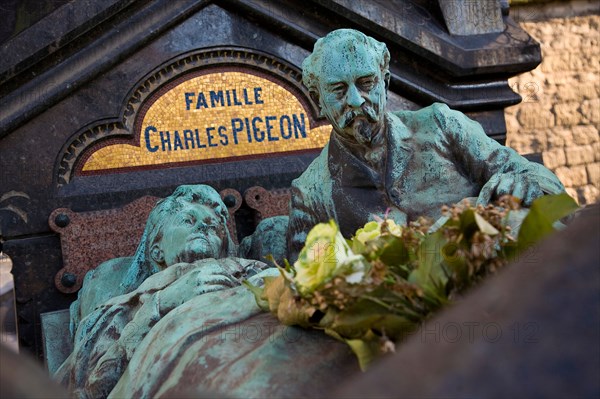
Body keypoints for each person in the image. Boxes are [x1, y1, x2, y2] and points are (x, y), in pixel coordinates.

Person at [286, 29, 565, 261]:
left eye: (366, 83)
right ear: (317, 99)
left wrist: (523, 184)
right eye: (338, 90)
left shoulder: (440, 124)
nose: (357, 100)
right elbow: (306, 285)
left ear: (385, 82)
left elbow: (542, 179)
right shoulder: (310, 192)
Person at [69, 184, 239, 338]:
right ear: (157, 250)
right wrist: (164, 301)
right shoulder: (107, 280)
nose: (202, 227)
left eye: (212, 227)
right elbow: (91, 347)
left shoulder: (243, 274)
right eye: (188, 220)